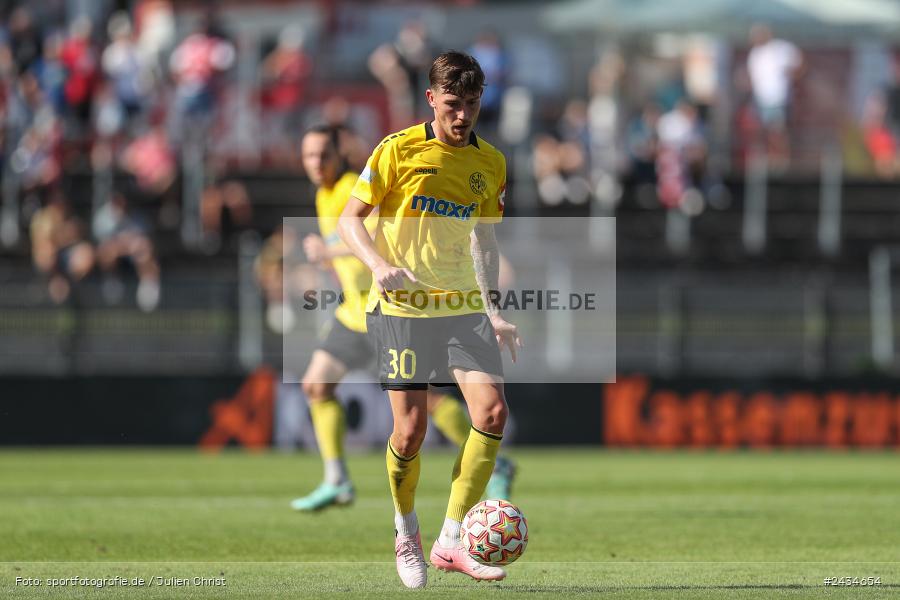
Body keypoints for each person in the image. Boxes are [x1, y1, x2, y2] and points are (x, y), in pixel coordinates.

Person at [337, 51, 520, 587]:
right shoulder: (397, 150)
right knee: (411, 431)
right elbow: (351, 220)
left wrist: (494, 311)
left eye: (472, 104)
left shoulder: (491, 164)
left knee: (490, 414)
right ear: (432, 100)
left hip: (463, 305)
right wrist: (377, 263)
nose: (462, 116)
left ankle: (452, 539)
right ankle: (405, 529)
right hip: (403, 308)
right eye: (453, 105)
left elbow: (483, 241)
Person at [291, 124, 517, 512]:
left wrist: (329, 254)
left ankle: (497, 464)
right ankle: (336, 479)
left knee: (422, 406)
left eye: (323, 155)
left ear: (338, 155)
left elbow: (379, 230)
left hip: (392, 307)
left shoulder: (349, 185)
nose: (316, 163)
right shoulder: (322, 194)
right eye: (308, 156)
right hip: (353, 311)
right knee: (316, 385)